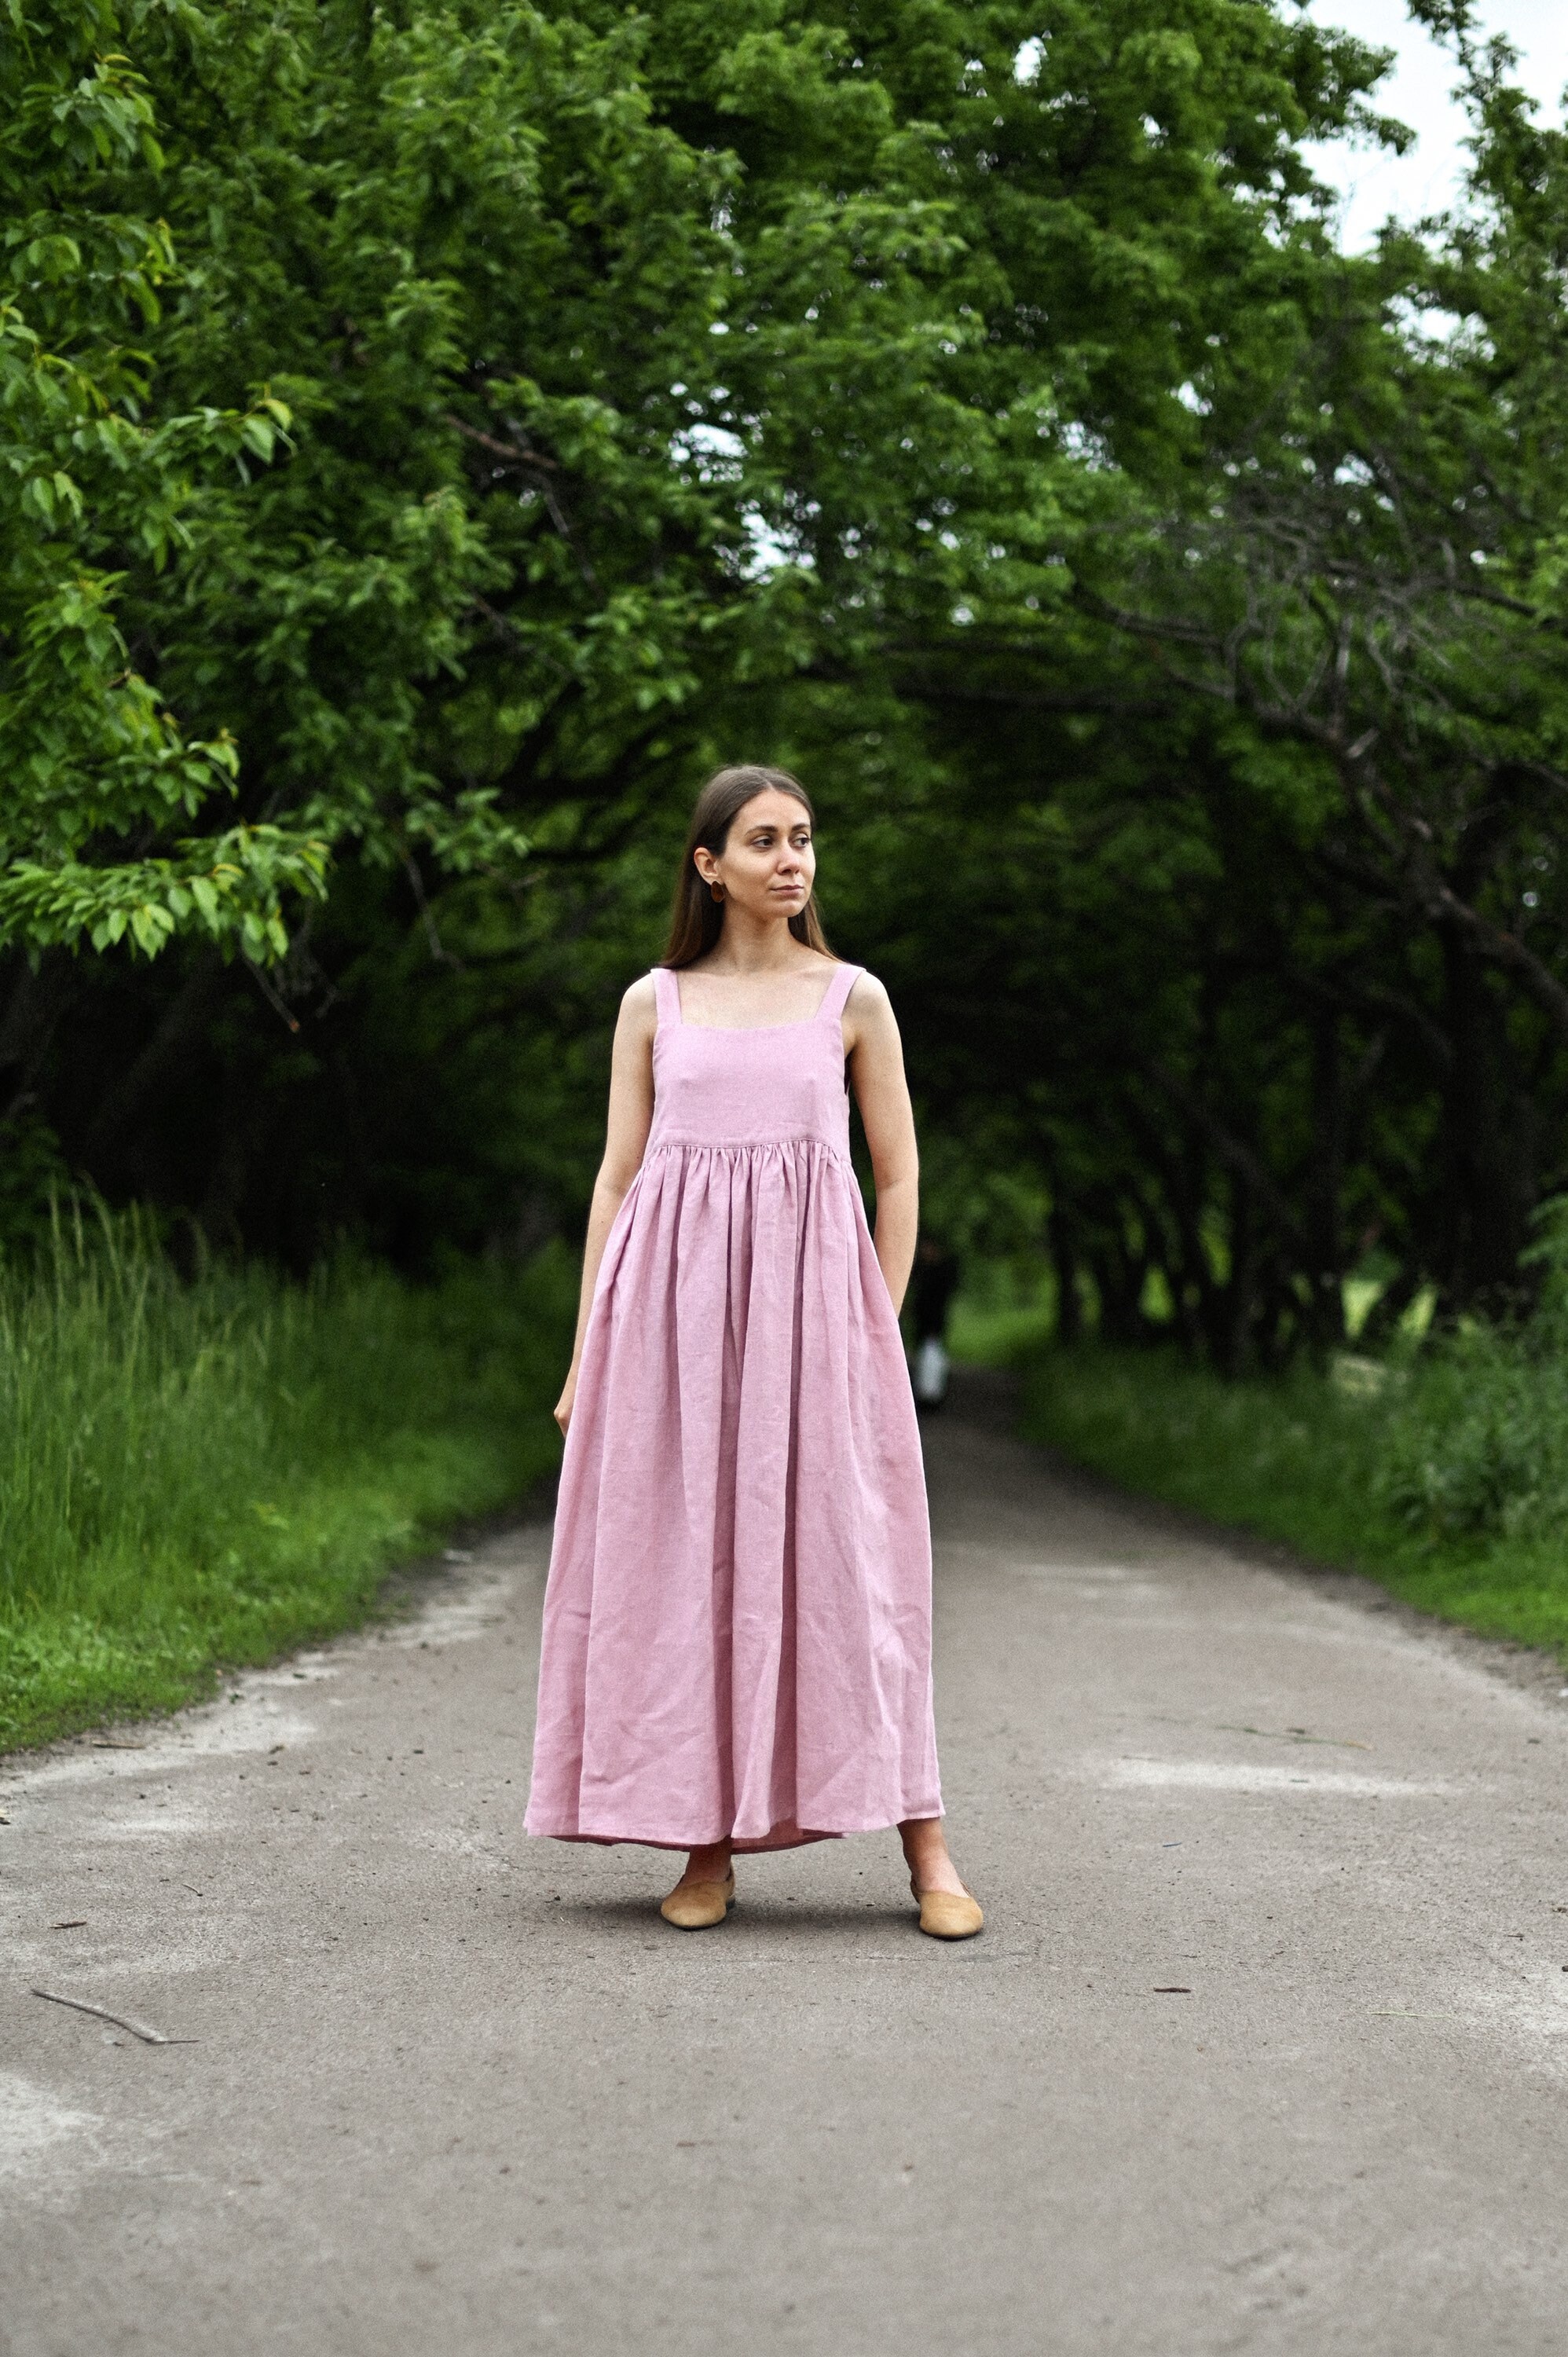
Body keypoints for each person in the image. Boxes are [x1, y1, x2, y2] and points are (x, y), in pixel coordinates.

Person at [525, 764, 981, 1939]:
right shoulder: (653, 1005)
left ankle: (927, 1850)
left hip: (816, 1334)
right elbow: (617, 1180)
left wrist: (872, 1327)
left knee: (854, 1585)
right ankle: (704, 1847)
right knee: (690, 1580)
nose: (793, 860)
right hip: (670, 1342)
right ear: (709, 866)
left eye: (806, 839)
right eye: (767, 841)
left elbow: (900, 1176)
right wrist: (587, 1353)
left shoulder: (854, 1000)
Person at [910, 1235, 960, 1409]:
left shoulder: (938, 1275)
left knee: (931, 1359)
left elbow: (935, 1303)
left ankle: (931, 1396)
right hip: (927, 1324)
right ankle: (928, 1394)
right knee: (928, 1358)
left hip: (932, 1325)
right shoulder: (928, 1272)